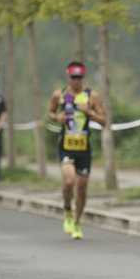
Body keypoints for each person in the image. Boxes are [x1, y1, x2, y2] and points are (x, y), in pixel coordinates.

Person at [47, 62, 106, 240]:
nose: (76, 81)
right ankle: (67, 211)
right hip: (66, 145)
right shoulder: (60, 95)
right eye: (73, 77)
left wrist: (90, 113)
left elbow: (104, 121)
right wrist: (57, 117)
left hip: (84, 147)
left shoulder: (91, 96)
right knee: (69, 181)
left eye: (79, 77)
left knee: (82, 188)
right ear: (68, 77)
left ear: (84, 78)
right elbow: (50, 113)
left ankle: (78, 222)